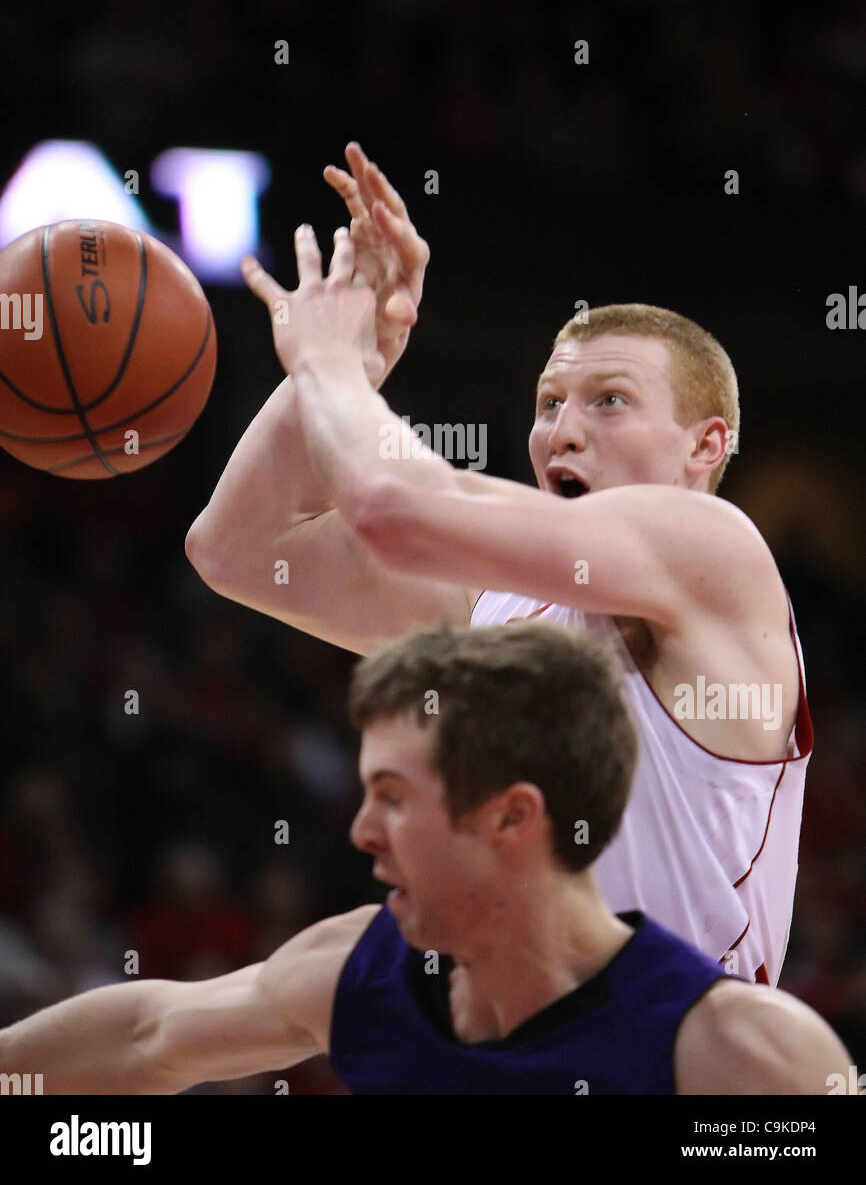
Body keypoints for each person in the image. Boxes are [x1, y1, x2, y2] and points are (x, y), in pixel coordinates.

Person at [186, 144, 811, 986]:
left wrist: (330, 364)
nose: (564, 429)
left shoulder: (717, 549)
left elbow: (392, 505)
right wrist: (360, 358)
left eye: (609, 400)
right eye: (549, 403)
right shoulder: (501, 607)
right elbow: (238, 550)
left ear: (706, 445)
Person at [0, 623, 846, 1095]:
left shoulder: (741, 1058)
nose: (362, 828)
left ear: (513, 818)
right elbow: (150, 1035)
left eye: (396, 797)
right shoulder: (359, 974)